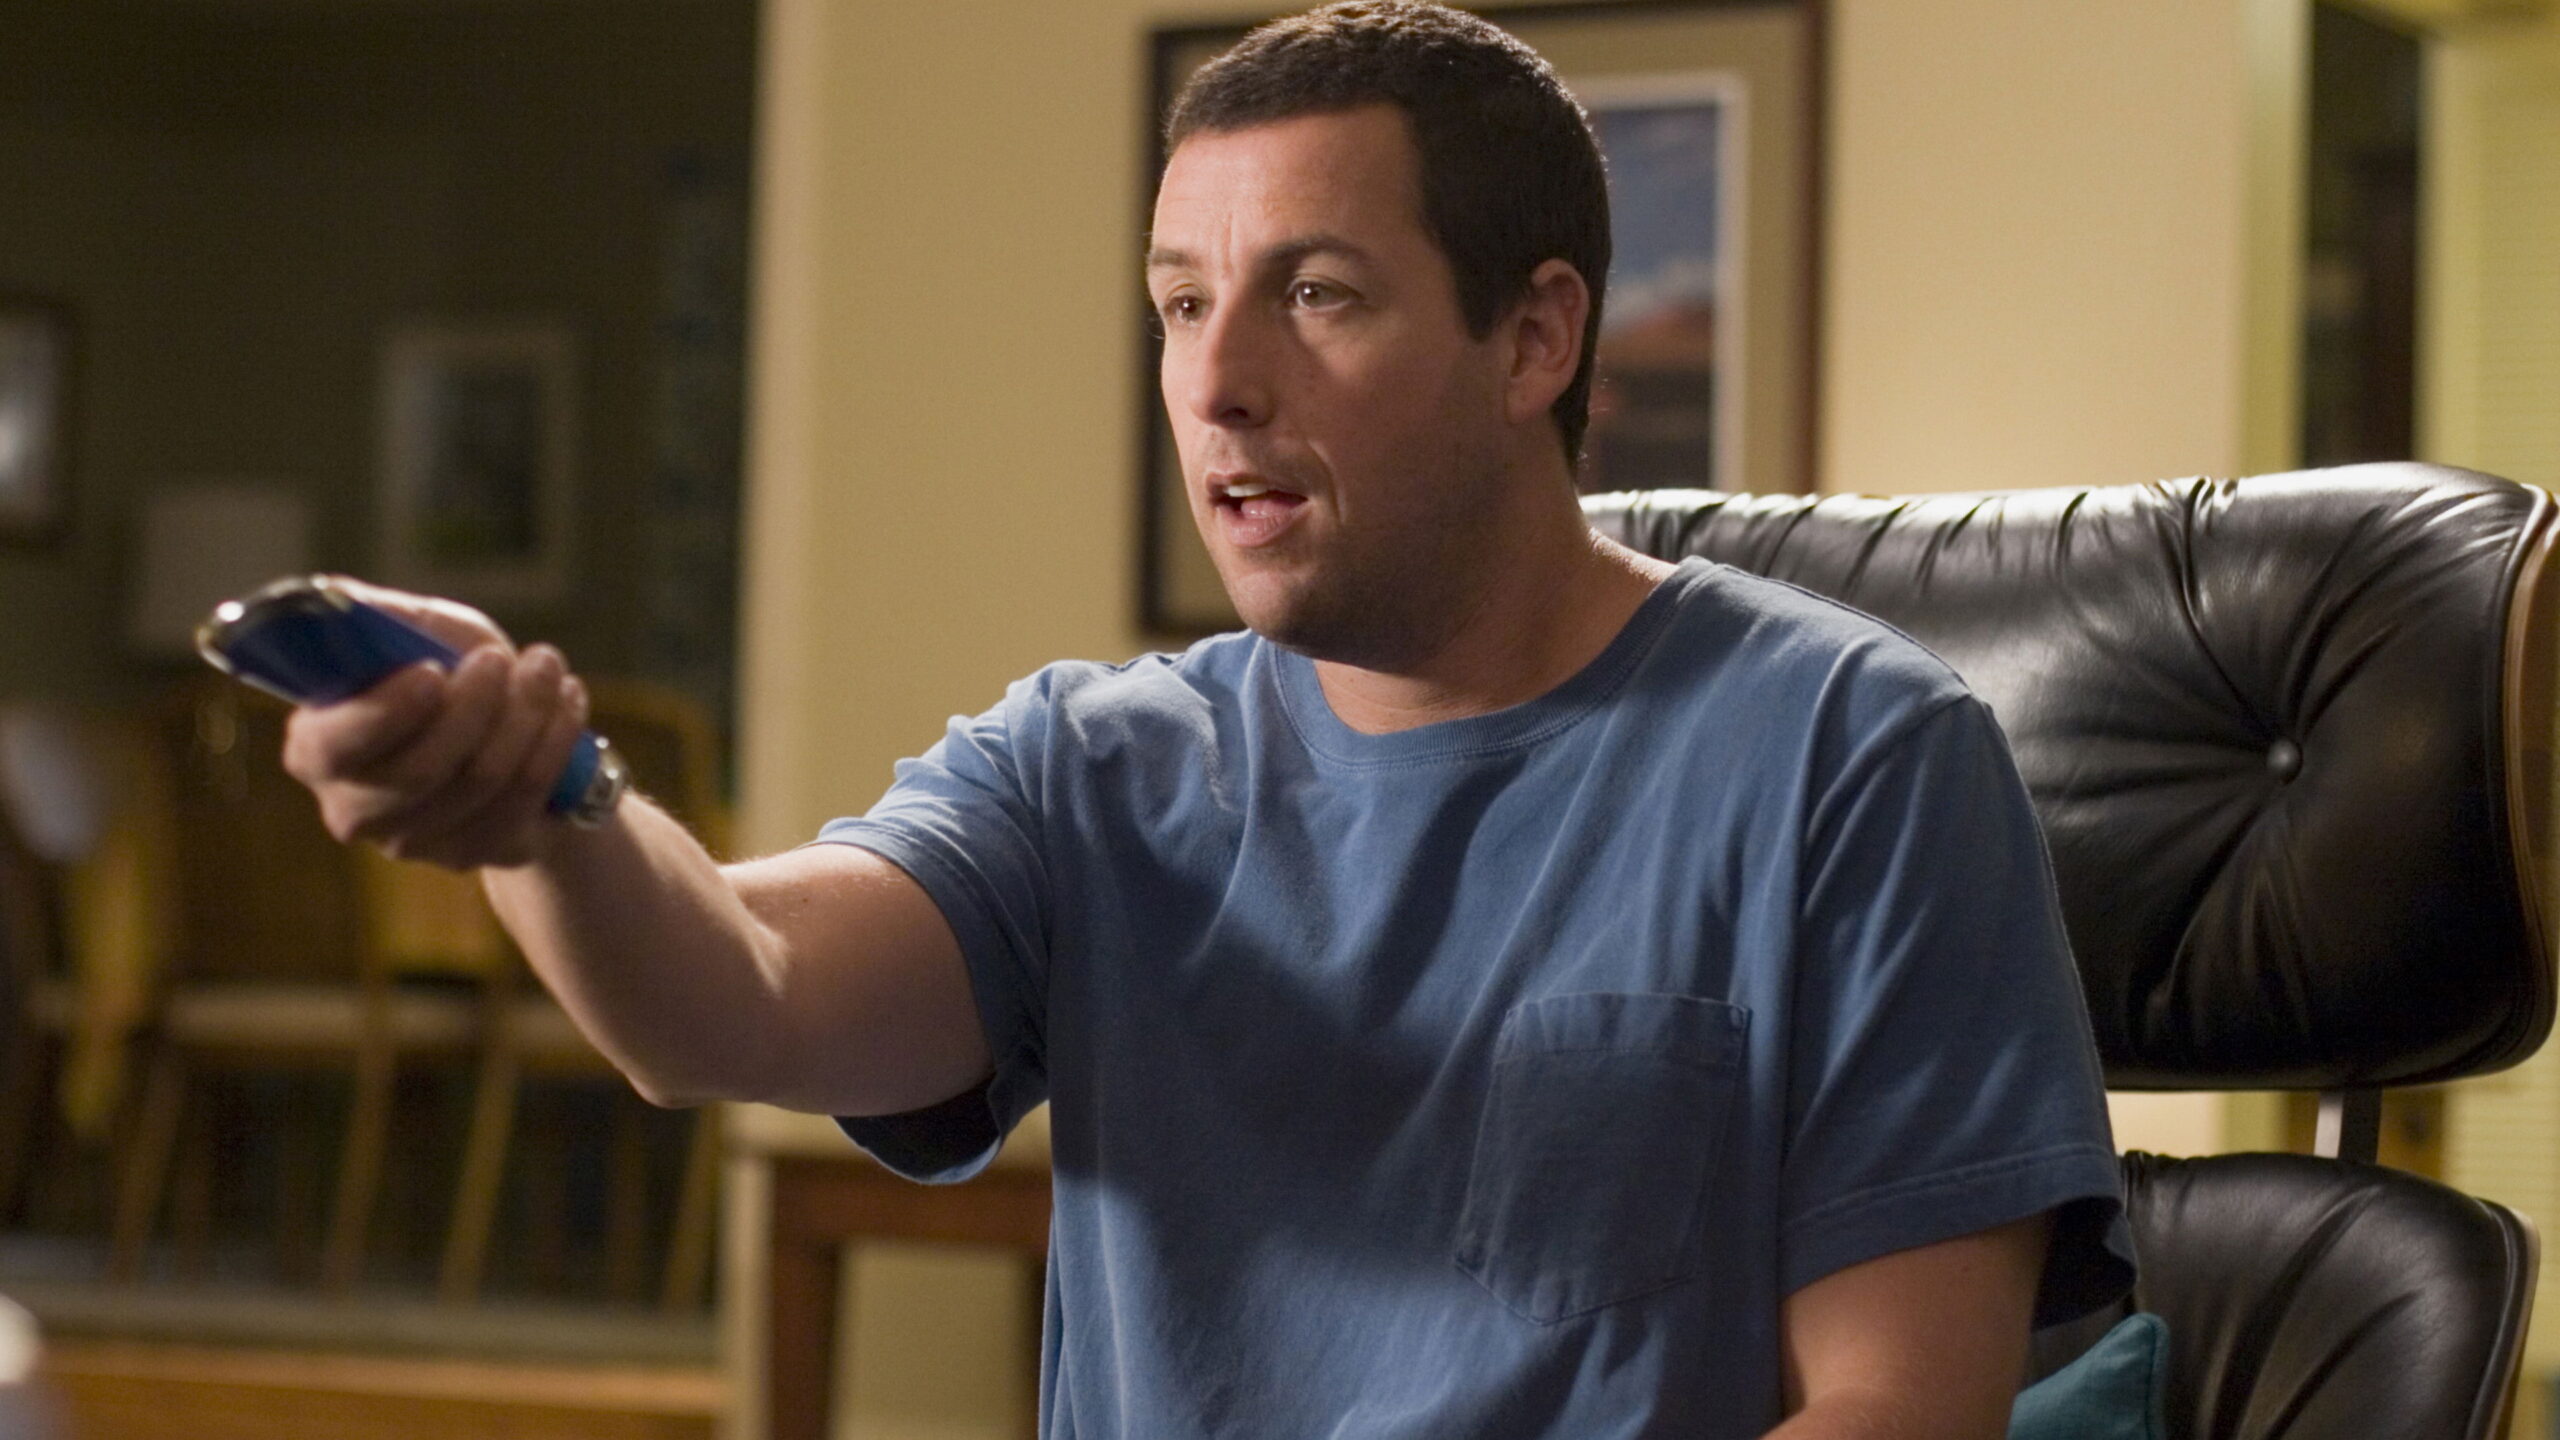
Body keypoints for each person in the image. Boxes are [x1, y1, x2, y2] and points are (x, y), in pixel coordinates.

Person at [282, 3, 2132, 1435]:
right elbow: (734, 997)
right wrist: (544, 807)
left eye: (1314, 295)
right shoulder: (1093, 768)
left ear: (1534, 339)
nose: (1218, 382)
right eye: (1180, 305)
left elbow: (1900, 1408)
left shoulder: (1857, 759)